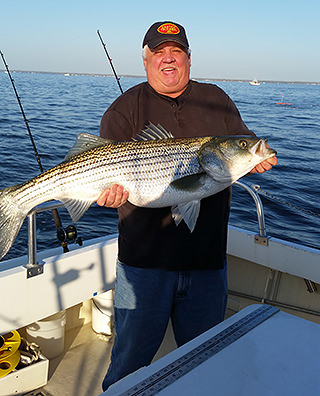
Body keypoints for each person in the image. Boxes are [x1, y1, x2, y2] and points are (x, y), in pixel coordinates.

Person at [97, 21, 277, 391]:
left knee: (206, 360)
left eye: (176, 52)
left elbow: (245, 143)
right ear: (145, 60)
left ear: (189, 59)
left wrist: (254, 156)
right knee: (128, 364)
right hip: (142, 267)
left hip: (208, 265)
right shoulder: (123, 109)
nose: (168, 59)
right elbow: (102, 176)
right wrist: (106, 194)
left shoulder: (216, 99)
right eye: (159, 52)